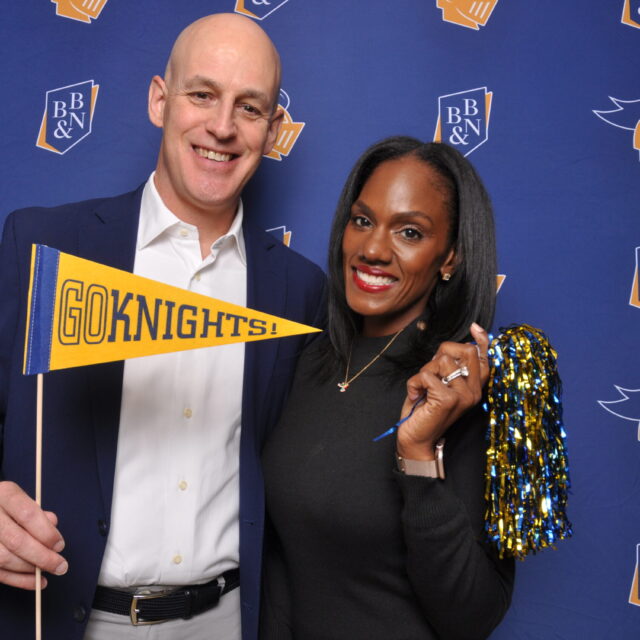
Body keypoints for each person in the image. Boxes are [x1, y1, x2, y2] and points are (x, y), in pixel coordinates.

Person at [0, 13, 325, 640]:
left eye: (249, 107)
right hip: (66, 616)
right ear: (159, 101)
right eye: (202, 94)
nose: (222, 126)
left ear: (273, 129)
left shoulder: (298, 290)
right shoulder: (43, 247)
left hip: (223, 621)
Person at [261, 137, 515, 639]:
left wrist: (417, 455)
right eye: (362, 221)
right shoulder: (306, 361)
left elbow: (473, 618)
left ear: (450, 258)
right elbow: (282, 568)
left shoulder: (460, 390)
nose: (373, 250)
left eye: (409, 232)